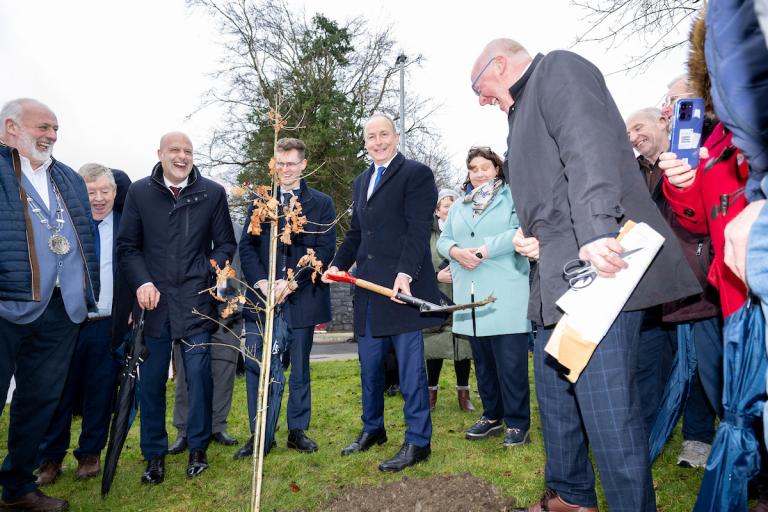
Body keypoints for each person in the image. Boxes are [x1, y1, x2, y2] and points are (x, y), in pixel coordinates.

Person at [470, 39, 700, 512]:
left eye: (481, 87)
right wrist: (527, 235)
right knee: (556, 398)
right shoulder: (521, 111)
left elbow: (588, 147)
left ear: (500, 64)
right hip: (556, 277)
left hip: (597, 272)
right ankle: (572, 497)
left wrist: (598, 229)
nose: (481, 99)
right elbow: (551, 191)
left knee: (607, 412)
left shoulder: (558, 70)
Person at [322, 114, 442, 472]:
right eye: (371, 136)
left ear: (397, 136)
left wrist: (405, 273)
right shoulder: (361, 181)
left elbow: (418, 230)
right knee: (370, 367)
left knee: (409, 373)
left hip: (400, 290)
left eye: (384, 134)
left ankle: (418, 441)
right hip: (369, 291)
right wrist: (338, 264)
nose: (378, 142)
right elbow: (357, 233)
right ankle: (373, 428)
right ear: (365, 141)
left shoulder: (416, 174)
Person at [117, 132, 236, 484]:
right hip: (153, 305)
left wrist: (204, 270)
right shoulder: (139, 192)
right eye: (175, 151)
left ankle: (198, 449)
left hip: (197, 303)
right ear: (160, 154)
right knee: (151, 382)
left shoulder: (212, 192)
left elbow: (226, 243)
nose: (182, 156)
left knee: (199, 378)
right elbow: (127, 247)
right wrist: (142, 282)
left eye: (188, 151)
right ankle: (154, 456)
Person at [0, 98, 99, 512]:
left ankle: (18, 489)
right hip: (6, 306)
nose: (52, 136)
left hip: (60, 311)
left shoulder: (69, 179)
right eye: (43, 127)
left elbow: (83, 236)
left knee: (39, 401)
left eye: (55, 130)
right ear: (11, 128)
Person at [626, 106, 723, 468]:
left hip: (697, 283)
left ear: (664, 121)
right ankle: (646, 438)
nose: (633, 137)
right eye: (628, 133)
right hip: (650, 287)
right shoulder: (631, 173)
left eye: (638, 127)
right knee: (648, 365)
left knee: (703, 366)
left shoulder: (693, 157)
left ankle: (699, 437)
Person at [236, 137, 336, 458]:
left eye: (292, 164)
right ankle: (261, 435)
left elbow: (325, 250)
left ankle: (297, 430)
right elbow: (247, 247)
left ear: (303, 164)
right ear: (273, 165)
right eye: (280, 164)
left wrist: (293, 282)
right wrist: (263, 282)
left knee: (300, 369)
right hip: (263, 300)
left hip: (302, 297)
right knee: (259, 368)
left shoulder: (321, 203)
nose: (286, 170)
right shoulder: (261, 201)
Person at [35, 164, 132, 485]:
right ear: (79, 194)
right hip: (67, 322)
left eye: (106, 191)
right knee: (58, 391)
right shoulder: (63, 224)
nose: (99, 198)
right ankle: (50, 458)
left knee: (100, 392)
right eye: (91, 192)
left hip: (107, 324)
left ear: (115, 193)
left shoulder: (126, 226)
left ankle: (90, 454)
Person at [437, 146, 531, 447]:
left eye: (485, 168)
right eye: (473, 168)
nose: (479, 173)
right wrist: (455, 252)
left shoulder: (512, 197)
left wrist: (482, 251)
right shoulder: (461, 206)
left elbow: (519, 231)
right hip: (471, 292)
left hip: (505, 289)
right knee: (484, 362)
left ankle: (518, 423)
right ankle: (492, 416)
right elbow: (444, 240)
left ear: (497, 170)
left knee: (511, 363)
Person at [167, 219, 244, 456]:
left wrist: (234, 304)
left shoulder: (239, 231)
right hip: (192, 311)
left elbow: (244, 267)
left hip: (228, 312)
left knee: (224, 369)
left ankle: (217, 426)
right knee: (187, 373)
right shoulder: (185, 227)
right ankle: (184, 430)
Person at [424, 188, 474, 412]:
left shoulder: (466, 232)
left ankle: (464, 394)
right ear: (437, 210)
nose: (450, 208)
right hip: (436, 297)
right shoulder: (428, 236)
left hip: (461, 298)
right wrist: (436, 276)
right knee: (434, 348)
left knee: (463, 348)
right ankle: (430, 393)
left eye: (454, 204)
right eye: (446, 205)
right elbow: (417, 266)